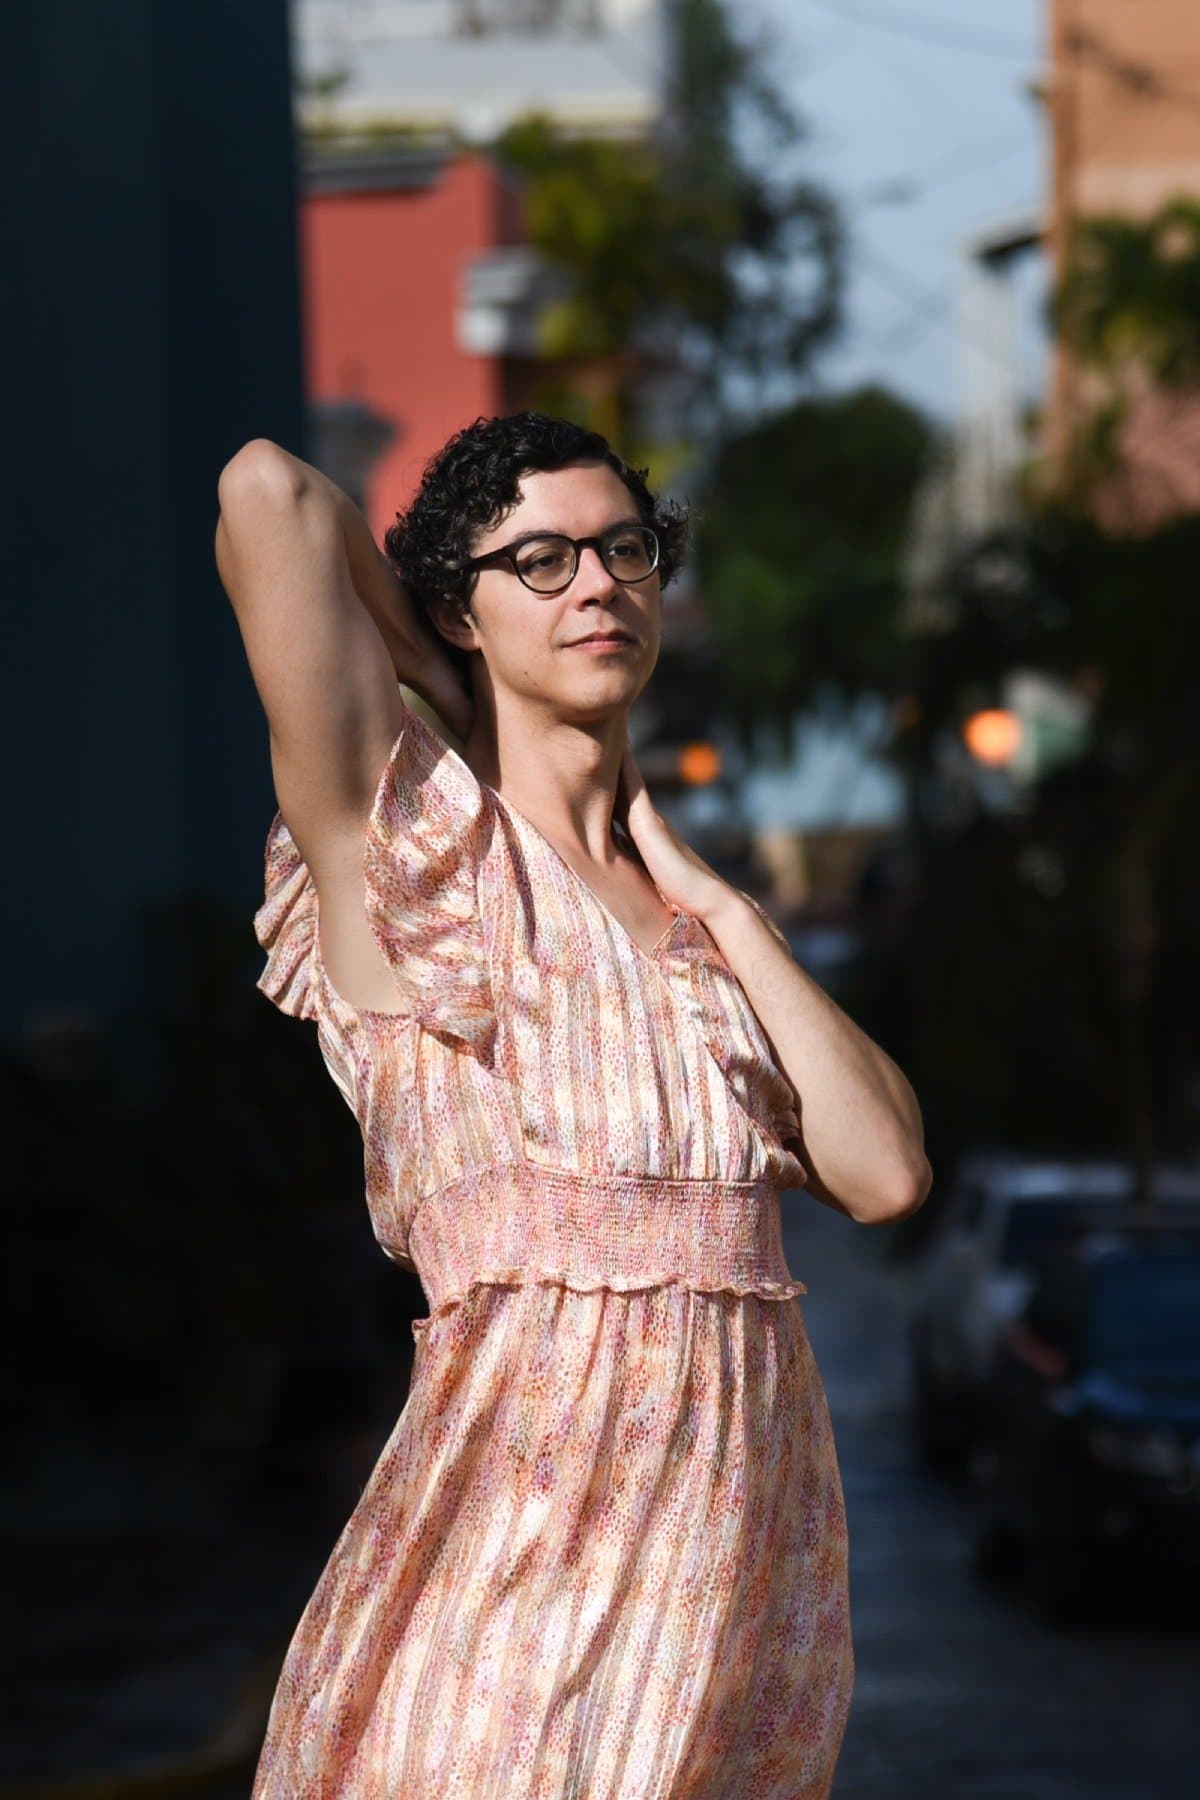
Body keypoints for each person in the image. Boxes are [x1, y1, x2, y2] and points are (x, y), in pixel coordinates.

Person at [215, 411, 931, 1798]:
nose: (597, 585)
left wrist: (715, 895)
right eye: (537, 562)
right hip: (506, 1611)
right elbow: (268, 494)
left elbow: (888, 1172)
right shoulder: (416, 862)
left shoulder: (704, 938)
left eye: (623, 549)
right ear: (460, 610)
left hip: (733, 1613)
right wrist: (428, 660)